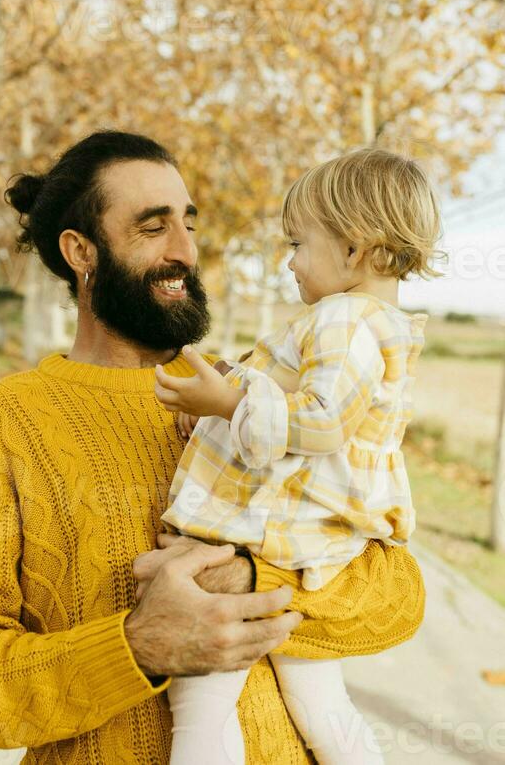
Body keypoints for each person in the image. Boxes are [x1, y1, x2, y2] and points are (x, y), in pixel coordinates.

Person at [0, 131, 426, 765]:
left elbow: (399, 594)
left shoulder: (249, 397)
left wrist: (255, 579)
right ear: (81, 251)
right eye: (153, 228)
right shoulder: (2, 426)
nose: (186, 251)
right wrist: (139, 645)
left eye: (189, 224)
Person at [154, 147, 441, 764]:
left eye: (297, 244)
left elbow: (321, 422)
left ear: (355, 249)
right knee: (323, 706)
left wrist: (228, 404)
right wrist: (234, 386)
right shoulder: (369, 321)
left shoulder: (342, 318)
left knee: (200, 705)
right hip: (312, 546)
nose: (288, 263)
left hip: (275, 534)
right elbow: (304, 398)